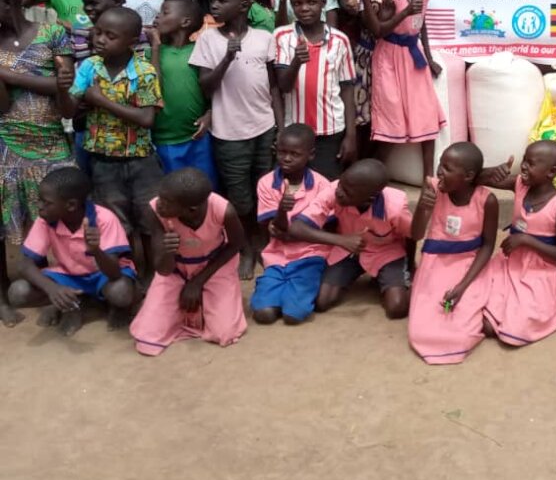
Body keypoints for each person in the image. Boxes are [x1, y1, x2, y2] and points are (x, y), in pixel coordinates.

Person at [191, 0, 282, 280]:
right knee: (239, 197)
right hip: (229, 132)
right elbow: (206, 87)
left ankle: (262, 243)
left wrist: (279, 127)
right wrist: (227, 57)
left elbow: (274, 86)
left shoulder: (263, 37)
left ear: (242, 6)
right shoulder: (208, 40)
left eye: (220, 0)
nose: (213, 5)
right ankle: (244, 248)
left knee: (264, 190)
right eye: (211, 0)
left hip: (264, 126)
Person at [0, 0, 76, 326]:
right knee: (3, 222)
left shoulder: (52, 33)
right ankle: (2, 296)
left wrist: (11, 76)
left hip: (51, 140)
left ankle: (59, 290)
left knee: (60, 218)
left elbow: (66, 93)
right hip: (7, 143)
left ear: (8, 2)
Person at [69, 7, 163, 278]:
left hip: (141, 160)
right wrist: (68, 93)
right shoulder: (88, 67)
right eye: (97, 32)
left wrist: (100, 101)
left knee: (149, 220)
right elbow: (69, 109)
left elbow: (147, 119)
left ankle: (152, 278)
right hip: (104, 161)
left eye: (110, 36)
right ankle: (128, 276)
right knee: (117, 224)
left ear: (131, 42)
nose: (100, 39)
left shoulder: (144, 72)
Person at [131, 168, 247, 356]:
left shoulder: (223, 210)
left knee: (225, 332)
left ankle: (202, 303)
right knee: (147, 337)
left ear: (190, 209)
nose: (159, 203)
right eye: (160, 196)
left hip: (215, 265)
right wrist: (168, 251)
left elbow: (235, 244)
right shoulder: (155, 211)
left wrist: (197, 282)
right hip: (175, 268)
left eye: (167, 202)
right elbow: (162, 268)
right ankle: (194, 310)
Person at [9, 167, 136, 335]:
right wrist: (52, 289)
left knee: (121, 292)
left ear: (71, 205)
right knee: (18, 292)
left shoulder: (104, 219)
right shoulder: (45, 220)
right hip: (69, 275)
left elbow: (114, 273)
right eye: (39, 200)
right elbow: (25, 264)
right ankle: (72, 306)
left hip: (103, 276)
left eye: (46, 202)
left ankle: (115, 307)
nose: (39, 206)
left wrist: (96, 250)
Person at [287, 159, 413, 318]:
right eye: (341, 183)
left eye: (347, 191)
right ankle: (373, 278)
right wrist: (341, 241)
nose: (339, 191)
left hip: (386, 252)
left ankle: (385, 281)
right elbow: (296, 228)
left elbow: (411, 235)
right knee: (321, 301)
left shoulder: (395, 206)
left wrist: (410, 267)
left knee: (397, 308)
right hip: (347, 251)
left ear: (370, 198)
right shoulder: (335, 190)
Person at [408, 142, 498, 363]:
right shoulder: (433, 188)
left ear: (468, 176)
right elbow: (416, 234)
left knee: (462, 322)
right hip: (436, 263)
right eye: (440, 164)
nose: (439, 171)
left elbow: (487, 246)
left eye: (447, 168)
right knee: (423, 328)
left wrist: (462, 286)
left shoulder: (487, 200)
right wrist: (422, 207)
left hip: (470, 265)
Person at [480, 140, 556, 346]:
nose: (523, 166)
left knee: (516, 328)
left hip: (539, 272)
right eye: (524, 159)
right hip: (510, 263)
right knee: (484, 320)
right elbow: (475, 176)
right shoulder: (520, 185)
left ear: (551, 172)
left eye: (531, 163)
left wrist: (526, 240)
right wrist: (492, 171)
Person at [364, 0, 445, 179]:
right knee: (391, 120)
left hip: (412, 57)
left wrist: (429, 59)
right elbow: (379, 30)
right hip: (389, 59)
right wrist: (406, 11)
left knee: (426, 112)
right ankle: (374, 176)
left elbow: (422, 25)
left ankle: (430, 177)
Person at [273, 0, 356, 180]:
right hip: (295, 132)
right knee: (295, 189)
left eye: (311, 2)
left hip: (330, 130)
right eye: (298, 3)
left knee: (327, 188)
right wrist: (296, 62)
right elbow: (282, 86)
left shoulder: (340, 40)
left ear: (323, 3)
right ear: (292, 5)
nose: (305, 8)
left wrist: (351, 135)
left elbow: (347, 88)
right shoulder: (282, 37)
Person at [250, 124, 333, 325]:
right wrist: (282, 210)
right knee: (264, 314)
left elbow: (324, 227)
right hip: (277, 255)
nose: (286, 159)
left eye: (295, 154)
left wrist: (288, 232)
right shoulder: (267, 182)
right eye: (282, 152)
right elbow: (276, 229)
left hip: (311, 254)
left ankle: (296, 288)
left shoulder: (322, 185)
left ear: (310, 155)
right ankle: (279, 287)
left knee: (293, 315)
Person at [148, 0, 216, 186]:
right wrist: (155, 47)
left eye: (165, 13)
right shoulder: (151, 53)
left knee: (205, 187)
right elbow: (153, 87)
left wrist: (210, 113)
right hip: (165, 138)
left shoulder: (199, 50)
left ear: (185, 22)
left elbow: (211, 88)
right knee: (174, 190)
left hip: (197, 136)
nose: (157, 17)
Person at [352, 0, 394, 140]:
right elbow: (371, 26)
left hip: (390, 58)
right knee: (363, 114)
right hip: (365, 58)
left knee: (387, 113)